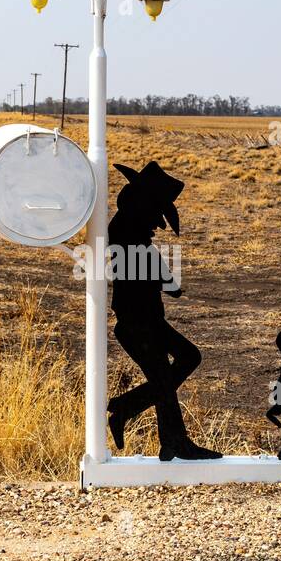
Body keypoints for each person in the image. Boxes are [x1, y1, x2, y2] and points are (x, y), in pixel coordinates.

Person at [106, 161, 223, 462]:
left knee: (180, 365)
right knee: (167, 378)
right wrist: (167, 280)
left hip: (146, 320)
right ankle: (173, 442)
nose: (158, 223)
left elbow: (153, 270)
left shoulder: (129, 228)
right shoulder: (128, 231)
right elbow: (154, 273)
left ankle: (131, 411)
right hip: (137, 322)